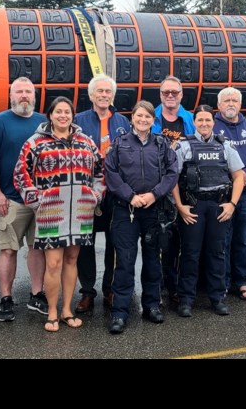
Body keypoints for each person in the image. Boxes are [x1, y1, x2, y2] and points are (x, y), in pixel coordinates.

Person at [15, 97, 105, 332]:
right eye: (58, 112)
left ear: (73, 115)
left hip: (81, 212)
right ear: (50, 115)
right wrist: (36, 199)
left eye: (67, 112)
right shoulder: (35, 143)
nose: (63, 115)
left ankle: (67, 310)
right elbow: (20, 173)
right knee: (53, 263)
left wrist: (95, 195)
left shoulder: (86, 142)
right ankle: (52, 312)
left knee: (71, 260)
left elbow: (101, 170)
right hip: (51, 213)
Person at [104, 101, 180, 334]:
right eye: (139, 116)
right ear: (132, 119)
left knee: (153, 261)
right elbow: (111, 172)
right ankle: (120, 312)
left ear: (153, 120)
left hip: (153, 210)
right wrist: (130, 196)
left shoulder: (161, 144)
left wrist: (154, 194)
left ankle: (151, 306)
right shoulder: (119, 144)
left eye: (147, 116)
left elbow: (172, 171)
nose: (143, 120)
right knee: (124, 262)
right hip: (125, 211)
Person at [0, 77, 49, 322]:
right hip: (11, 199)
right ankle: (6, 298)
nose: (23, 96)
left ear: (34, 95)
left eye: (28, 92)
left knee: (37, 249)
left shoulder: (44, 122)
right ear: (11, 96)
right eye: (19, 91)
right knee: (8, 250)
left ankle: (37, 294)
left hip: (42, 202)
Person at [172, 105, 246, 318]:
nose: (204, 124)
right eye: (200, 120)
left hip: (218, 206)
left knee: (217, 253)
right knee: (190, 254)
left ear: (214, 123)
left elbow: (239, 175)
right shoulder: (184, 146)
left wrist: (232, 204)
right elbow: (173, 178)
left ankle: (217, 298)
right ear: (194, 122)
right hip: (193, 207)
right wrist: (179, 206)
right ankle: (186, 299)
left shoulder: (225, 145)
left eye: (208, 120)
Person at [72, 74, 130, 314]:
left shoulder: (123, 121)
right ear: (91, 95)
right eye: (100, 91)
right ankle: (87, 292)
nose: (104, 95)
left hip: (115, 192)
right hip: (88, 192)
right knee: (86, 242)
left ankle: (110, 289)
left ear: (112, 96)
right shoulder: (79, 120)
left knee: (114, 244)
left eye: (108, 91)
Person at [213, 87, 246, 301]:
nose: (231, 104)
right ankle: (222, 283)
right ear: (219, 105)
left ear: (241, 104)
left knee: (243, 240)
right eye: (226, 100)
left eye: (235, 100)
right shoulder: (213, 125)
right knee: (222, 240)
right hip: (222, 194)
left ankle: (241, 281)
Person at [151, 75, 195, 302]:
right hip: (157, 187)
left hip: (181, 186)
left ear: (181, 95)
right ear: (160, 95)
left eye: (174, 93)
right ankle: (156, 288)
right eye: (166, 92)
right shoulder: (151, 117)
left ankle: (174, 286)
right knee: (158, 240)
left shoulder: (191, 119)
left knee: (178, 242)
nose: (170, 96)